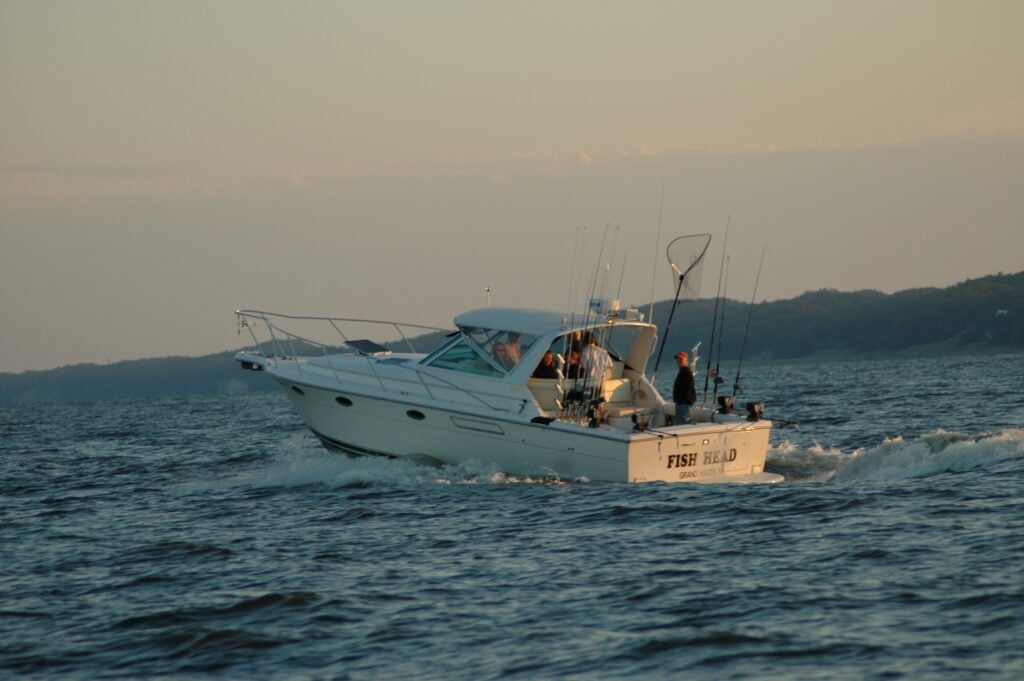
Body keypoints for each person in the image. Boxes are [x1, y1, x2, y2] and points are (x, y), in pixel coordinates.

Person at [673, 351, 696, 424]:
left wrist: (683, 400)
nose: (679, 361)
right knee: (681, 424)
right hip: (681, 403)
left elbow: (687, 390)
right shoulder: (682, 371)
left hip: (685, 404)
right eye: (678, 359)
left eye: (681, 359)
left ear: (686, 361)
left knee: (685, 425)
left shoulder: (686, 372)